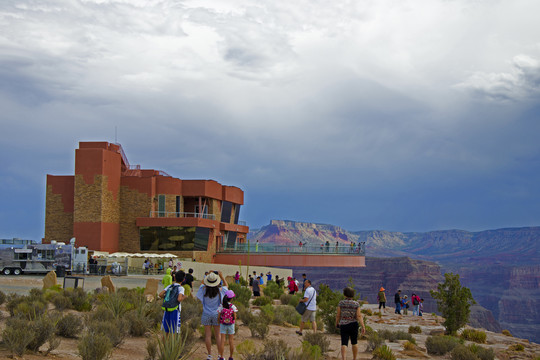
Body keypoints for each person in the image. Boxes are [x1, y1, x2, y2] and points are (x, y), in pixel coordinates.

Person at [196, 271, 229, 360]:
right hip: (216, 314)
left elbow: (201, 283)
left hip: (206, 314)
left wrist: (207, 276)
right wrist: (222, 276)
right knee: (218, 335)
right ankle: (219, 355)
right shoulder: (220, 290)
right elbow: (227, 286)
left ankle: (209, 355)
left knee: (208, 335)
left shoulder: (203, 290)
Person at [336, 287, 365, 360]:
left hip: (344, 324)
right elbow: (359, 315)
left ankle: (344, 358)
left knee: (344, 343)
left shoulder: (341, 303)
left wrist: (337, 323)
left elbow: (338, 315)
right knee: (354, 342)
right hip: (353, 324)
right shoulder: (356, 304)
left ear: (345, 294)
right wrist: (363, 326)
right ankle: (354, 358)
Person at [217, 290, 238, 360]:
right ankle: (231, 357)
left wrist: (218, 321)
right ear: (231, 298)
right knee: (231, 341)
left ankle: (221, 356)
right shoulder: (233, 307)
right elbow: (235, 317)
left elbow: (219, 316)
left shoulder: (221, 306)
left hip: (223, 324)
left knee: (222, 340)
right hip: (231, 325)